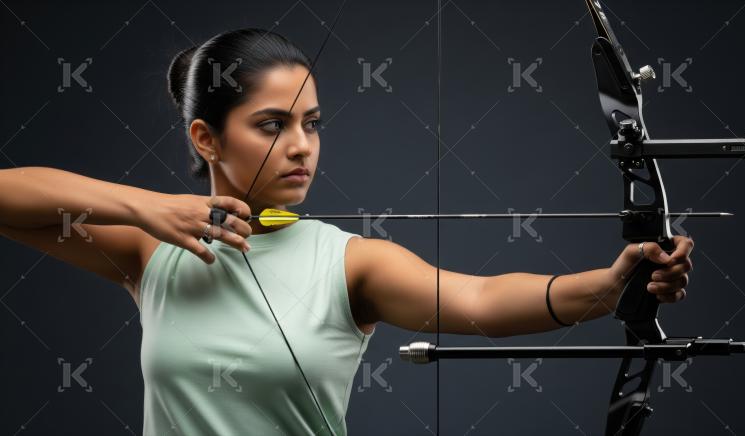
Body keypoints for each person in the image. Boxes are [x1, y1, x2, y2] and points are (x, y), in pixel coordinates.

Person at [0, 28, 694, 435]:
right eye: (272, 125)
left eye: (311, 124)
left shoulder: (349, 263)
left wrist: (610, 289)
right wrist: (145, 206)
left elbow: (480, 302)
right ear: (206, 138)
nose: (302, 145)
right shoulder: (151, 250)